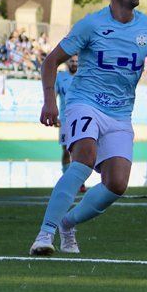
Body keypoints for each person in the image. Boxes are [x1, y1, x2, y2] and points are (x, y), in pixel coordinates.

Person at [29, 0, 147, 256]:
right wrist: (50, 100)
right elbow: (51, 61)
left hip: (120, 114)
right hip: (84, 103)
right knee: (84, 159)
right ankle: (45, 234)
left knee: (117, 184)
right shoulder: (91, 24)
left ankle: (67, 223)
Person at [55, 55, 85, 193]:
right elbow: (54, 95)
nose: (74, 63)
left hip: (83, 119)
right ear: (67, 62)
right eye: (72, 61)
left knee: (80, 150)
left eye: (76, 61)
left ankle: (79, 182)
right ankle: (67, 180)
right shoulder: (60, 77)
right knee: (66, 150)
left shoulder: (84, 76)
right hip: (65, 119)